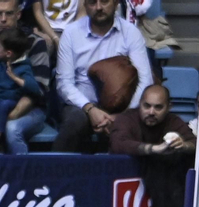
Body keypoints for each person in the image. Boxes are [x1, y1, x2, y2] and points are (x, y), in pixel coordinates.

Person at [54, 0, 154, 154]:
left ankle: (120, 176)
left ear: (115, 3)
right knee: (74, 123)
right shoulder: (71, 33)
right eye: (92, 2)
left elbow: (145, 81)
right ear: (85, 5)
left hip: (122, 105)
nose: (98, 7)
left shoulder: (131, 33)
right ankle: (56, 173)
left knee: (126, 128)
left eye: (105, 1)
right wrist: (90, 109)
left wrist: (121, 115)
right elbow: (64, 84)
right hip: (82, 105)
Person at [108, 83, 193, 207]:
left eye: (158, 107)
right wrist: (153, 149)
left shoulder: (173, 121)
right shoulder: (127, 118)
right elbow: (118, 144)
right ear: (139, 104)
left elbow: (196, 144)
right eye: (147, 106)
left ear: (169, 107)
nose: (151, 112)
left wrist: (183, 145)